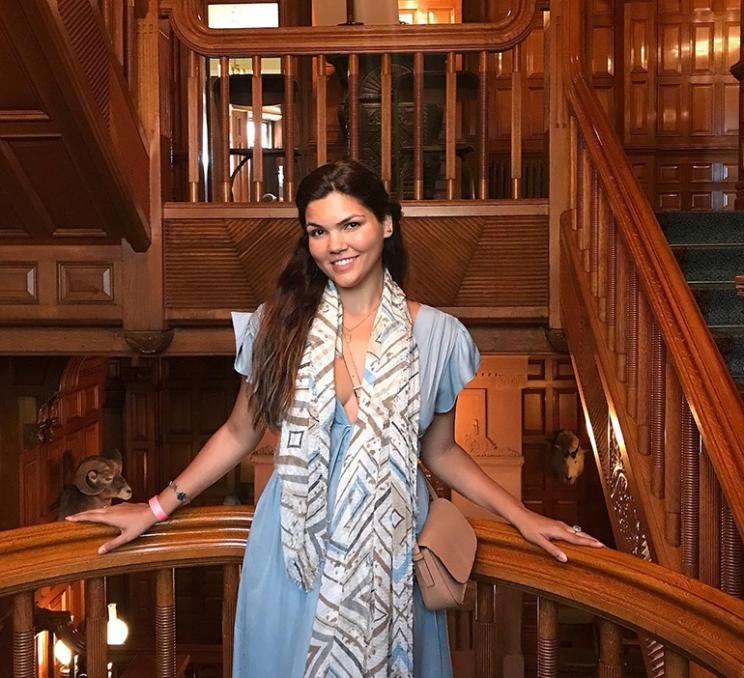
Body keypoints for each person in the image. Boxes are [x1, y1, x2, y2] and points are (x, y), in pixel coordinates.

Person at [68, 160, 603, 678]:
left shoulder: (438, 335)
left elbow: (440, 452)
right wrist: (156, 508)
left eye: (351, 224)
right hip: (293, 548)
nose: (336, 245)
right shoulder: (277, 325)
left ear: (387, 224)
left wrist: (523, 517)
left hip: (391, 546)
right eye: (318, 231)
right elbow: (240, 431)